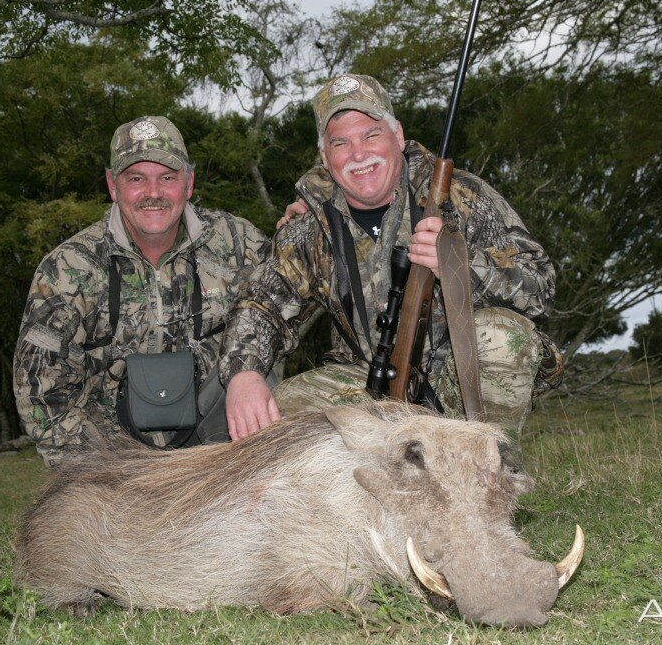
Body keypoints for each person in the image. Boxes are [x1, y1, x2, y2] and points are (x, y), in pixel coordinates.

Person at [219, 74, 559, 449]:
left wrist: (460, 266)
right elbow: (260, 305)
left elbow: (540, 284)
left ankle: (492, 472)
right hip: (368, 385)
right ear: (324, 157)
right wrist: (243, 373)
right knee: (276, 414)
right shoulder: (308, 225)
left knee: (501, 338)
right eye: (341, 143)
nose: (359, 155)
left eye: (371, 135)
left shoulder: (464, 196)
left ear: (397, 137)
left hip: (457, 387)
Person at [14, 116, 268, 467]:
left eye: (167, 177)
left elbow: (294, 301)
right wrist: (100, 472)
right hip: (114, 464)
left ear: (189, 183)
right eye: (136, 179)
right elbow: (39, 391)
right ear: (112, 185)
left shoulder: (242, 244)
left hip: (224, 452)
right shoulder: (67, 269)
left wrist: (308, 216)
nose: (153, 193)